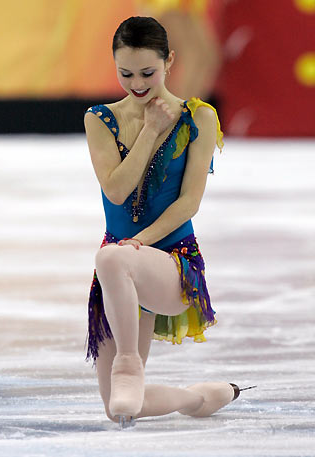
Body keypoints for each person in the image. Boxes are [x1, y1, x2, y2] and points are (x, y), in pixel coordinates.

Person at [84, 16, 254, 429]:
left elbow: (188, 204)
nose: (137, 83)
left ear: (169, 62)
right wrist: (149, 130)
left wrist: (136, 243)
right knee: (119, 408)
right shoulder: (100, 118)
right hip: (120, 275)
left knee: (109, 258)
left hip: (172, 264)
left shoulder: (199, 118)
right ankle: (203, 396)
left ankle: (129, 365)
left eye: (147, 72)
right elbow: (117, 192)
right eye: (126, 73)